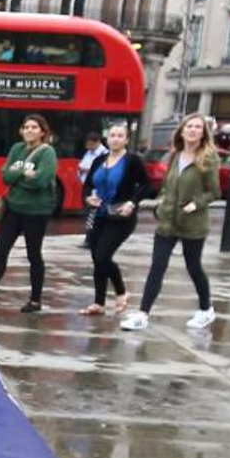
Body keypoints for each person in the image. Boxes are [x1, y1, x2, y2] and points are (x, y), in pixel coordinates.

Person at [121, 113, 221, 331]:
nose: (193, 130)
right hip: (167, 221)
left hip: (193, 223)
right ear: (182, 131)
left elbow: (214, 192)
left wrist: (196, 203)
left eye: (198, 127)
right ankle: (142, 314)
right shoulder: (175, 155)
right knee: (157, 266)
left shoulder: (209, 157)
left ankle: (206, 309)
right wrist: (161, 203)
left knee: (193, 266)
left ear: (203, 133)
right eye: (190, 126)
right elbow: (167, 186)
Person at [0, 114, 58, 313]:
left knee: (34, 255)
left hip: (36, 212)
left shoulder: (47, 153)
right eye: (26, 127)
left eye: (34, 127)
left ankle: (35, 300)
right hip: (13, 209)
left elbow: (40, 181)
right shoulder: (17, 149)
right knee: (0, 251)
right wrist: (23, 174)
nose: (29, 130)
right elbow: (5, 176)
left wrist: (18, 175)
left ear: (42, 131)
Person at [78, 124, 149, 316]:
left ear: (126, 140)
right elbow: (87, 185)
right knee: (96, 259)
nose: (116, 139)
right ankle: (98, 303)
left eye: (120, 136)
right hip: (98, 214)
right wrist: (88, 198)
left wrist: (132, 203)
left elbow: (145, 185)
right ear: (107, 139)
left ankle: (121, 291)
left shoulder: (132, 160)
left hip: (121, 216)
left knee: (103, 256)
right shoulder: (99, 160)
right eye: (112, 135)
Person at [77, 132, 108, 249]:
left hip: (98, 189)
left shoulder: (104, 155)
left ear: (96, 142)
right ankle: (91, 238)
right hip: (88, 186)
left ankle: (90, 239)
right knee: (90, 215)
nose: (87, 146)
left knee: (92, 215)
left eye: (89, 144)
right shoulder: (89, 153)